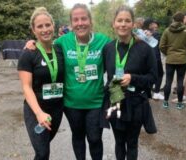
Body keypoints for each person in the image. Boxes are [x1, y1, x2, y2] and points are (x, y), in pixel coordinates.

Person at [24, 3, 111, 160]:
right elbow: (44, 44)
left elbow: (119, 51)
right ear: (71, 24)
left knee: (94, 138)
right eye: (75, 20)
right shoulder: (62, 42)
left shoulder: (103, 41)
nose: (80, 23)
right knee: (78, 137)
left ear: (90, 21)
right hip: (71, 103)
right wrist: (32, 43)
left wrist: (137, 38)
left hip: (96, 102)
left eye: (83, 18)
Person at [102, 6, 157, 160]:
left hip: (136, 103)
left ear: (133, 24)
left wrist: (133, 78)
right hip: (116, 101)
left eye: (127, 21)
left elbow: (154, 77)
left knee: (132, 143)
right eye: (119, 20)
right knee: (119, 142)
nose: (123, 24)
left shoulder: (145, 48)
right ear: (114, 23)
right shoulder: (108, 48)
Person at [17, 7, 64, 160]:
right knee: (43, 152)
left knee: (44, 146)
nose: (45, 29)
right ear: (33, 30)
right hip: (36, 109)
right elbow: (26, 87)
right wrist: (39, 113)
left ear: (53, 26)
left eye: (47, 25)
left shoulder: (60, 49)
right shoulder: (28, 53)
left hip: (57, 108)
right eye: (40, 26)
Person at [159, 12, 186, 109]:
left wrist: (169, 53)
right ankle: (180, 104)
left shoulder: (167, 30)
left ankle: (165, 103)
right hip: (183, 60)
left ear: (173, 19)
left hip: (170, 60)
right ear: (182, 19)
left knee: (168, 81)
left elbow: (161, 46)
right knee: (180, 81)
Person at [143, 19, 164, 100]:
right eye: (153, 24)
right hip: (155, 58)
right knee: (160, 74)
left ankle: (148, 92)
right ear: (149, 25)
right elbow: (156, 47)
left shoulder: (142, 33)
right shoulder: (156, 34)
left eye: (156, 25)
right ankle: (156, 93)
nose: (156, 26)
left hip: (146, 58)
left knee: (149, 74)